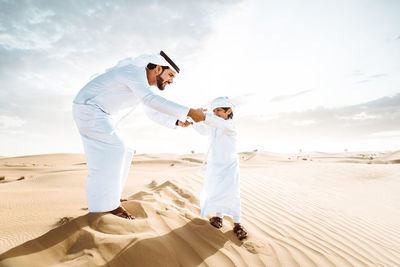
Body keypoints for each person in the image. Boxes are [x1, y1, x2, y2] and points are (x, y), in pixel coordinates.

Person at [72, 51, 205, 220]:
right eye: (170, 75)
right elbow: (150, 100)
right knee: (116, 148)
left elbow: (151, 111)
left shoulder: (140, 83)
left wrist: (177, 121)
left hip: (101, 114)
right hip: (88, 109)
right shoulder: (133, 72)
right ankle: (104, 207)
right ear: (157, 69)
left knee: (126, 150)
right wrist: (190, 112)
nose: (171, 81)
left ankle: (112, 197)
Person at [191, 96, 247, 240]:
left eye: (219, 110)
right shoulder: (214, 126)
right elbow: (202, 130)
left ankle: (237, 223)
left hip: (229, 166)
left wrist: (201, 114)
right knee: (215, 191)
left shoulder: (229, 125)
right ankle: (218, 217)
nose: (216, 113)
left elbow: (213, 121)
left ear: (229, 111)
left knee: (231, 193)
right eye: (214, 110)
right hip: (215, 166)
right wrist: (193, 119)